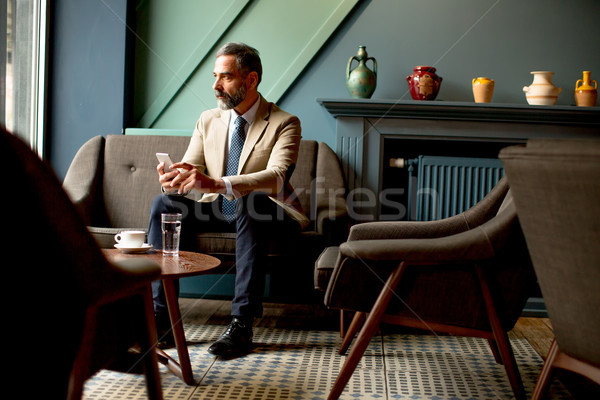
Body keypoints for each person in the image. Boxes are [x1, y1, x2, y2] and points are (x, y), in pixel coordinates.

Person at [147, 42, 308, 357]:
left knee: (251, 201)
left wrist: (219, 182)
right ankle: (161, 320)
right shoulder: (208, 119)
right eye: (215, 77)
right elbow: (192, 169)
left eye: (226, 77)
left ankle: (241, 325)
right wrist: (173, 179)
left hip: (272, 213)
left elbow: (277, 176)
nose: (215, 86)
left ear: (251, 80)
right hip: (219, 208)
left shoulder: (285, 122)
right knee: (163, 204)